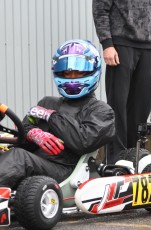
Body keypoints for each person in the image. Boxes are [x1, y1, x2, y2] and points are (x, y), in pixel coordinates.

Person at [0, 39, 115, 189]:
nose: (72, 77)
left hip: (66, 170)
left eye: (78, 71)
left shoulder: (102, 111)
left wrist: (51, 116)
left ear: (92, 71)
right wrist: (34, 133)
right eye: (67, 73)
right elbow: (23, 130)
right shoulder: (47, 102)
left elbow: (82, 142)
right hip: (35, 163)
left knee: (19, 158)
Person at [92, 0, 151, 164]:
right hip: (120, 44)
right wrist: (107, 44)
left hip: (147, 46)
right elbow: (100, 9)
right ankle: (116, 160)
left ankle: (135, 156)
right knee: (118, 105)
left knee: (141, 106)